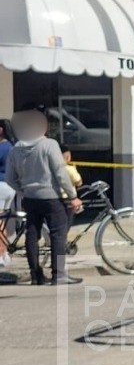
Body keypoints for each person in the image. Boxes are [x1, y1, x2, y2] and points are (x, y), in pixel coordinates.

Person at [4, 106, 83, 285]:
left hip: (30, 198)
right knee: (58, 234)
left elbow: (10, 178)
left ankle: (35, 275)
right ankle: (59, 274)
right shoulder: (49, 145)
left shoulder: (16, 149)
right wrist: (72, 196)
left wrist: (23, 190)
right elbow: (60, 173)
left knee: (32, 235)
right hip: (51, 197)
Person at [0, 118, 14, 268]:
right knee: (2, 222)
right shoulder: (12, 146)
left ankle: (1, 255)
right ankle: (4, 254)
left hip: (0, 186)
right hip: (9, 187)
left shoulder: (2, 147)